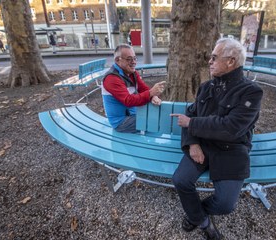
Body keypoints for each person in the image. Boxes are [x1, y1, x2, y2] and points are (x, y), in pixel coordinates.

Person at [171, 38, 263, 240]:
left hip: (231, 149)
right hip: (201, 144)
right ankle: (204, 223)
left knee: (225, 205)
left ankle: (194, 214)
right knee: (180, 180)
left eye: (214, 57)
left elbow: (231, 128)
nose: (209, 62)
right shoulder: (206, 87)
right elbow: (190, 113)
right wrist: (193, 143)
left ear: (231, 61)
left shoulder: (251, 91)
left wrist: (192, 124)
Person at [102, 44, 166, 133]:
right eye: (129, 59)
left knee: (161, 116)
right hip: (121, 122)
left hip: (133, 114)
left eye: (135, 58)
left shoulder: (131, 72)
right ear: (117, 60)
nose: (134, 62)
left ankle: (151, 143)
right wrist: (151, 93)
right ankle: (151, 145)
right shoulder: (111, 78)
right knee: (158, 122)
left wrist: (153, 96)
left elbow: (143, 88)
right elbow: (128, 101)